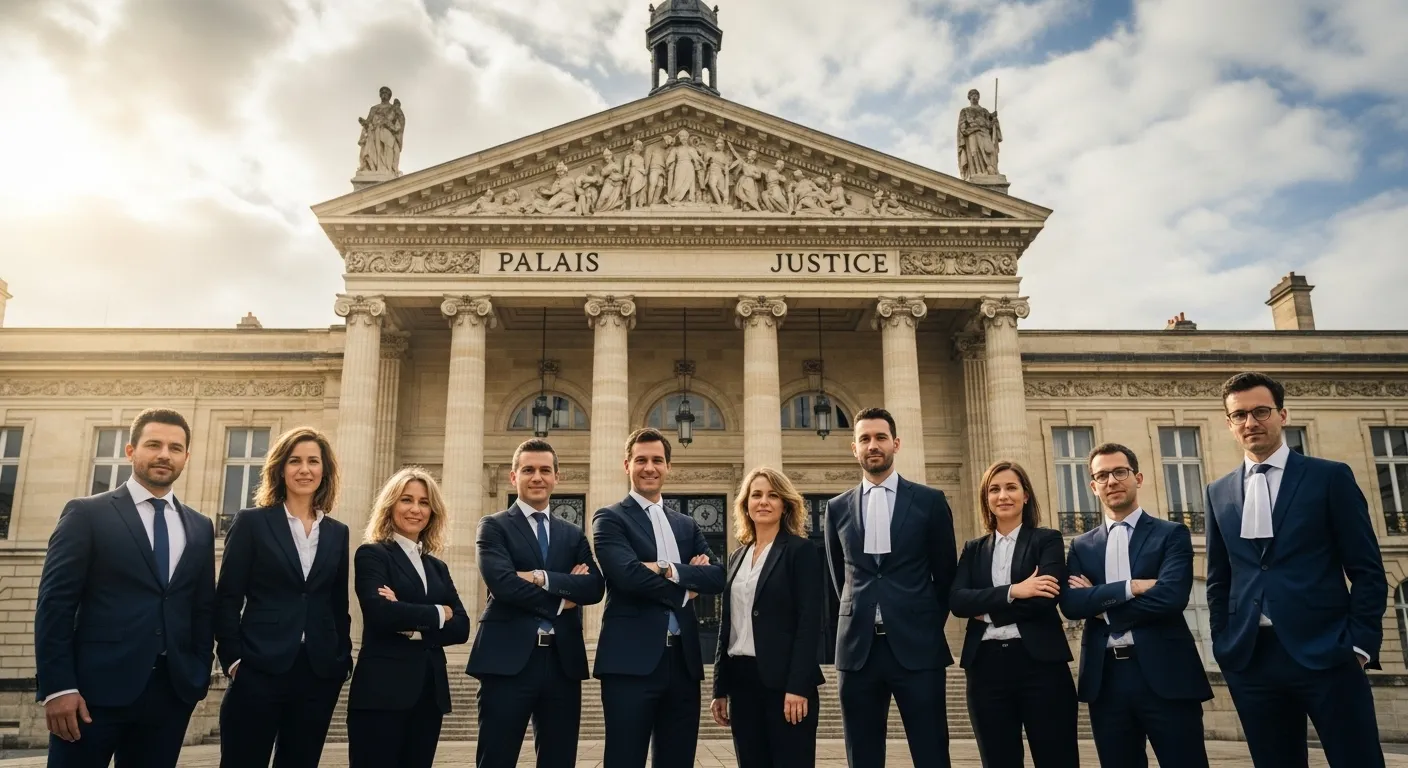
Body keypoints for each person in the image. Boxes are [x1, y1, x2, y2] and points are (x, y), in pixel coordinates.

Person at [1206, 371, 1387, 767]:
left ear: (1282, 415)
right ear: (1229, 424)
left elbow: (1368, 569)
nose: (1251, 422)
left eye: (1261, 411)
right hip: (1252, 658)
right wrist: (1223, 643)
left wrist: (1359, 645)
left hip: (1328, 652)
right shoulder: (1218, 492)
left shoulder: (1329, 477)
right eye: (1239, 415)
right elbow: (1219, 579)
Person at [35, 408, 215, 768]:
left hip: (170, 696)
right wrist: (58, 687)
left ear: (186, 457)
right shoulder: (86, 513)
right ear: (131, 451)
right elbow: (55, 604)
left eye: (175, 448)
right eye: (154, 444)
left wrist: (197, 673)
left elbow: (201, 607)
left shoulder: (200, 526)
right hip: (91, 696)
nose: (164, 454)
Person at [1061, 443, 1212, 767]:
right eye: (1102, 475)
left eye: (1120, 472)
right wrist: (1132, 587)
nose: (1112, 481)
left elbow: (1171, 598)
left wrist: (1099, 603)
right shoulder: (1082, 546)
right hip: (1106, 680)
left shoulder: (1171, 534)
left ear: (1138, 478)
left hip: (1167, 674)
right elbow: (1071, 605)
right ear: (1093, 486)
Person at [823, 407, 957, 768]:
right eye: (865, 439)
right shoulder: (836, 508)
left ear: (895, 443)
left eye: (880, 437)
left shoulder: (930, 501)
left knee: (931, 753)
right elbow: (840, 578)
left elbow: (946, 574)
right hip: (858, 652)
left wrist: (923, 622)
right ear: (854, 448)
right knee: (862, 756)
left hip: (918, 648)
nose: (873, 445)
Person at [214, 427, 352, 768]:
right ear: (280, 468)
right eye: (295, 461)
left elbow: (337, 604)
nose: (304, 470)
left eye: (313, 461)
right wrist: (233, 659)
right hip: (259, 666)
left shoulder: (337, 532)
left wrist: (342, 659)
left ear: (325, 470)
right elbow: (228, 596)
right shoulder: (252, 523)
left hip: (317, 671)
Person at [467, 439, 605, 768]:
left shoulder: (573, 534)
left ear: (557, 477)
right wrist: (562, 598)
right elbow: (503, 585)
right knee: (496, 759)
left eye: (545, 470)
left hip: (562, 662)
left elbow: (594, 587)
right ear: (513, 477)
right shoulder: (493, 526)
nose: (537, 477)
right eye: (528, 470)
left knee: (560, 760)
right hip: (507, 660)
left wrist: (540, 577)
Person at [592, 427, 726, 767]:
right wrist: (687, 583)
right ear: (627, 465)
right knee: (624, 760)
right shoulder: (610, 518)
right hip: (629, 662)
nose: (649, 468)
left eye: (657, 460)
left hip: (683, 663)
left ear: (668, 466)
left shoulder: (686, 525)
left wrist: (666, 569)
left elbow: (717, 576)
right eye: (641, 460)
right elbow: (627, 576)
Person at [951, 460, 1078, 768]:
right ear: (986, 499)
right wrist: (1014, 590)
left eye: (1011, 487)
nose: (1003, 496)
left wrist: (987, 611)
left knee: (1057, 759)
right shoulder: (974, 549)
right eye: (994, 490)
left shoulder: (1046, 540)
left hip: (1040, 665)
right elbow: (958, 601)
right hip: (985, 668)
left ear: (1025, 495)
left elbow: (1045, 598)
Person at [346, 467, 471, 768]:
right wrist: (439, 612)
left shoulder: (437, 567)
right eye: (406, 500)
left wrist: (411, 623)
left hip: (429, 694)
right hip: (381, 693)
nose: (416, 509)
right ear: (390, 506)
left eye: (424, 502)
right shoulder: (372, 554)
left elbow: (462, 627)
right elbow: (381, 614)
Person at [710, 467, 825, 768]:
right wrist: (720, 688)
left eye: (773, 495)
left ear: (785, 504)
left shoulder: (801, 551)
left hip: (785, 683)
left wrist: (798, 686)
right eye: (756, 495)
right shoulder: (737, 556)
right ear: (746, 504)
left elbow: (809, 622)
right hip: (742, 683)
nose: (763, 501)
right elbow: (728, 625)